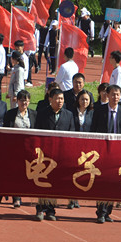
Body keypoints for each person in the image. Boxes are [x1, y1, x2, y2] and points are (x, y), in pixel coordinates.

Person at [90, 84, 121, 222]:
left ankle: (108, 212)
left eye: (117, 94)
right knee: (103, 181)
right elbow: (93, 130)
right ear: (107, 95)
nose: (115, 97)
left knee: (114, 182)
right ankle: (101, 212)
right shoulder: (99, 111)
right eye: (113, 94)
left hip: (119, 153)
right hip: (103, 151)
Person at [34, 88, 75, 221]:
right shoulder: (42, 114)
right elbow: (37, 133)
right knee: (42, 182)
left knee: (54, 183)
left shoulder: (68, 115)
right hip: (45, 154)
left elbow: (72, 134)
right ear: (50, 99)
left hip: (60, 155)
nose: (60, 101)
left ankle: (51, 210)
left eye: (62, 99)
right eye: (57, 98)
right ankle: (40, 208)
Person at [3, 89, 35, 209]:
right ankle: (16, 197)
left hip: (29, 148)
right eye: (22, 100)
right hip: (14, 148)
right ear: (17, 101)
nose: (24, 103)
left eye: (26, 101)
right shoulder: (10, 114)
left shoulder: (33, 114)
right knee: (15, 173)